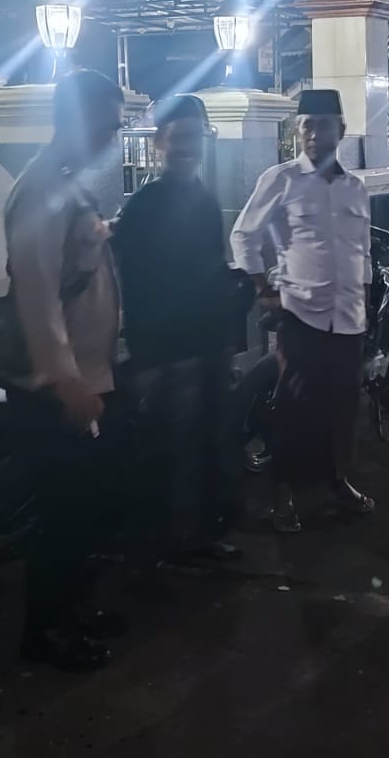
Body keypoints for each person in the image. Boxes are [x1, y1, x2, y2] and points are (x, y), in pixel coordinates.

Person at [2, 69, 128, 672]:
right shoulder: (42, 190)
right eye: (107, 123)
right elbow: (37, 292)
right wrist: (65, 379)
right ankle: (46, 633)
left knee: (88, 510)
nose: (114, 134)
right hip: (60, 388)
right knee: (62, 515)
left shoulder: (70, 184)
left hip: (92, 375)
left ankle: (74, 612)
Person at [230, 89, 373, 533]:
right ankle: (284, 496)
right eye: (306, 125)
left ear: (340, 130)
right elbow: (243, 236)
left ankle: (338, 481)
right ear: (297, 130)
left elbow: (363, 250)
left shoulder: (355, 187)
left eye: (323, 124)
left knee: (342, 407)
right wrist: (263, 289)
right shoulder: (282, 179)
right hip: (301, 315)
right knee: (294, 409)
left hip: (348, 317)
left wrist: (366, 296)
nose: (313, 133)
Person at [113, 94, 245, 562]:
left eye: (196, 137)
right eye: (180, 137)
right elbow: (134, 285)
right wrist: (148, 356)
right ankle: (166, 549)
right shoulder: (144, 207)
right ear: (159, 144)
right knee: (170, 454)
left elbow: (210, 271)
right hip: (167, 355)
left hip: (208, 346)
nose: (189, 147)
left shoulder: (204, 201)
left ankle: (201, 539)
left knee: (209, 444)